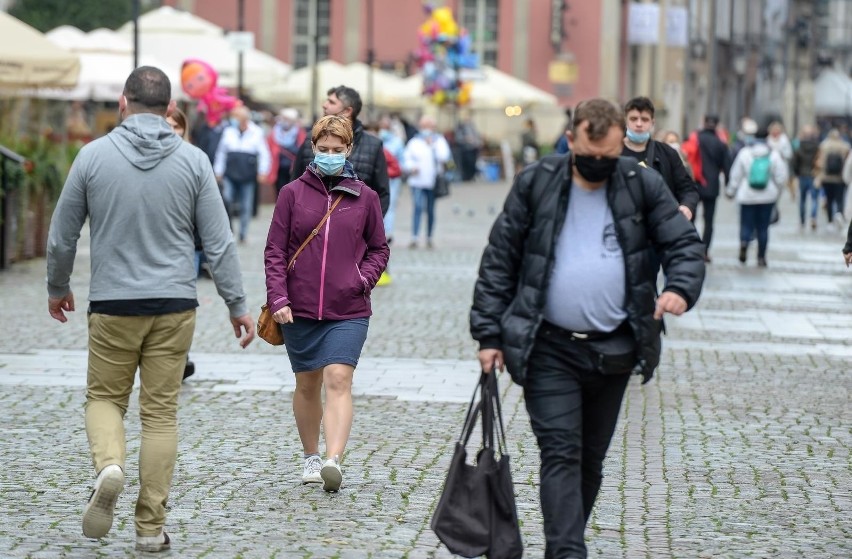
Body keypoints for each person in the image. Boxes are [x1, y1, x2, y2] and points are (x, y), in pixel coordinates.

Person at [469, 98, 705, 559]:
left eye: (608, 155)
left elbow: (683, 244)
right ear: (572, 139)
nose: (598, 163)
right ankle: (567, 551)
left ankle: (565, 539)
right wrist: (489, 335)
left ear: (622, 145)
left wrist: (680, 286)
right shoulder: (537, 182)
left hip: (615, 347)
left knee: (590, 460)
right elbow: (500, 259)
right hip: (548, 346)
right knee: (561, 453)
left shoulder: (642, 183)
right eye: (589, 153)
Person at [46, 66, 255, 552]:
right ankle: (148, 529)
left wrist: (57, 286)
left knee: (104, 398)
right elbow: (219, 243)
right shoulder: (194, 161)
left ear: (123, 103)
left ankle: (110, 466)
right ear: (168, 110)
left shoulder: (92, 157)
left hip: (114, 303)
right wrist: (237, 305)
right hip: (175, 304)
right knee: (160, 416)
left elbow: (61, 235)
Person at [264, 115, 389, 493]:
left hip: (348, 307)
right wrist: (278, 297)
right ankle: (311, 456)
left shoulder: (364, 197)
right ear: (313, 148)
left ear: (349, 150)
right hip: (298, 308)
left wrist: (363, 280)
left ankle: (334, 460)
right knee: (307, 383)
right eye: (324, 149)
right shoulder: (291, 195)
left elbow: (379, 248)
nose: (331, 156)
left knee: (339, 378)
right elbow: (274, 251)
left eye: (338, 150)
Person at [291, 85, 390, 216]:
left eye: (331, 102)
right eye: (323, 149)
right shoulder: (311, 139)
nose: (324, 105)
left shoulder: (373, 145)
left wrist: (368, 226)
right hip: (311, 224)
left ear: (347, 111)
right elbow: (295, 182)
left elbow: (382, 193)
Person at [621, 97, 699, 222]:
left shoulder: (667, 154)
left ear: (652, 123)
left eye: (644, 119)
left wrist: (687, 206)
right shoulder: (613, 152)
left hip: (658, 224)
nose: (639, 124)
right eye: (634, 119)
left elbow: (687, 188)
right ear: (626, 121)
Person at [166, 107, 200, 382]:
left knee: (183, 301)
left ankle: (181, 353)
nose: (172, 132)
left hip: (186, 244)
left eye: (176, 127)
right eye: (167, 125)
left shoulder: (194, 159)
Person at [726, 125, 789, 267]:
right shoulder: (773, 154)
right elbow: (781, 177)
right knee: (763, 227)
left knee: (746, 224)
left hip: (746, 196)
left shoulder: (745, 153)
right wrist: (777, 192)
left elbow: (736, 174)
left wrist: (731, 191)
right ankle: (761, 257)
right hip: (767, 197)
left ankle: (744, 243)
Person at [213, 105, 271, 243]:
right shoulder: (228, 131)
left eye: (235, 116)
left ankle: (243, 233)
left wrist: (263, 171)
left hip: (247, 175)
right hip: (230, 173)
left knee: (246, 205)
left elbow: (264, 154)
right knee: (226, 199)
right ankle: (229, 230)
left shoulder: (256, 132)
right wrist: (218, 171)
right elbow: (221, 152)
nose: (232, 119)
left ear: (244, 119)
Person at [682, 114, 732, 263]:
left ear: (703, 123)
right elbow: (727, 165)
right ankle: (704, 250)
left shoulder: (694, 138)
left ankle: (690, 247)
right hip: (711, 185)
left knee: (691, 217)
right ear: (717, 124)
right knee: (709, 221)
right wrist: (729, 186)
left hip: (694, 183)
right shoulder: (720, 142)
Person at [402, 115, 452, 249]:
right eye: (424, 126)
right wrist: (411, 167)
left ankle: (429, 237)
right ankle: (415, 237)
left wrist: (433, 146)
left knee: (430, 209)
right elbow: (406, 158)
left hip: (432, 181)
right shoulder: (414, 142)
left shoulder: (439, 141)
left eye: (429, 126)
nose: (426, 129)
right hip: (417, 181)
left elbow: (444, 157)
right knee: (417, 207)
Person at [378, 114, 407, 246]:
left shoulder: (396, 142)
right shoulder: (375, 139)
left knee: (390, 205)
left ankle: (387, 233)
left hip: (392, 180)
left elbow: (402, 162)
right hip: (377, 178)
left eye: (386, 126)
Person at [815, 129, 851, 230]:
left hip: (827, 177)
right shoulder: (845, 146)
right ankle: (839, 213)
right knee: (840, 199)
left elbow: (819, 162)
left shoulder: (823, 146)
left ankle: (830, 221)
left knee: (829, 200)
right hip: (840, 178)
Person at [267, 108, 307, 196]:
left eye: (287, 119)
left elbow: (302, 149)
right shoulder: (274, 133)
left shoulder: (299, 133)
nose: (285, 121)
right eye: (283, 118)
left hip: (293, 168)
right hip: (278, 168)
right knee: (280, 192)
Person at [792, 124, 821, 231]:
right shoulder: (817, 147)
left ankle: (802, 221)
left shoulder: (799, 148)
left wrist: (796, 174)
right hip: (813, 175)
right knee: (814, 198)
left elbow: (795, 163)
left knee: (802, 200)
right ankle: (813, 217)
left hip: (802, 175)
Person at [454, 114, 483, 181]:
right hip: (466, 149)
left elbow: (477, 136)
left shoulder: (473, 127)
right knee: (467, 163)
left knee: (473, 163)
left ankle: (472, 176)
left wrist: (478, 143)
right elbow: (458, 138)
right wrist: (465, 138)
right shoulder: (461, 127)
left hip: (473, 148)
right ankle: (466, 177)